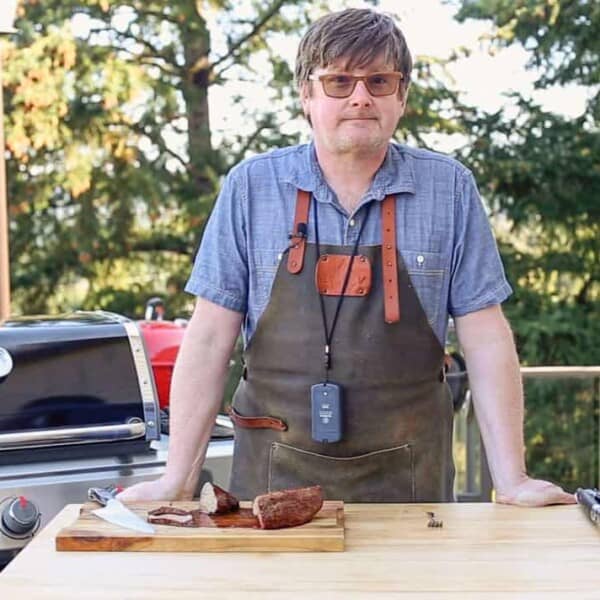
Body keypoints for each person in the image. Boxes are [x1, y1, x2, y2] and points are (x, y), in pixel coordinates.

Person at [120, 8, 575, 506]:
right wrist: (177, 480)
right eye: (339, 81)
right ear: (306, 95)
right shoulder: (251, 187)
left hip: (412, 490)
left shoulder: (449, 189)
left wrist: (511, 480)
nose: (361, 97)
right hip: (267, 489)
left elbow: (485, 335)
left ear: (401, 97)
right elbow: (208, 340)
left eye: (379, 81)